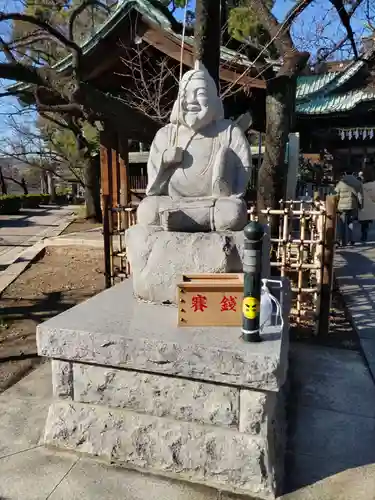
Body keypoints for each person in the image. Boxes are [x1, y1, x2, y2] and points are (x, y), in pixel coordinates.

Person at [334, 172, 363, 246]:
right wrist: (361, 206)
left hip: (342, 206)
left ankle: (342, 241)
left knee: (342, 223)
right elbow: (360, 196)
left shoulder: (341, 182)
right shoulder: (357, 182)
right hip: (353, 205)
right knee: (351, 222)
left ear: (345, 174)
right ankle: (352, 240)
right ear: (353, 173)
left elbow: (336, 194)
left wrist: (335, 205)